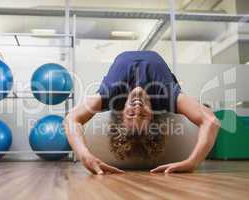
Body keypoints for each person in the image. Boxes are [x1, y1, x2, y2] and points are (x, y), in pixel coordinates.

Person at [64, 51, 220, 175]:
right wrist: (192, 163)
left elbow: (71, 119)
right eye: (143, 115)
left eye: (131, 115)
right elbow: (211, 120)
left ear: (121, 113)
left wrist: (84, 156)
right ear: (152, 114)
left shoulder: (109, 96)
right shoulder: (167, 96)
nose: (137, 108)